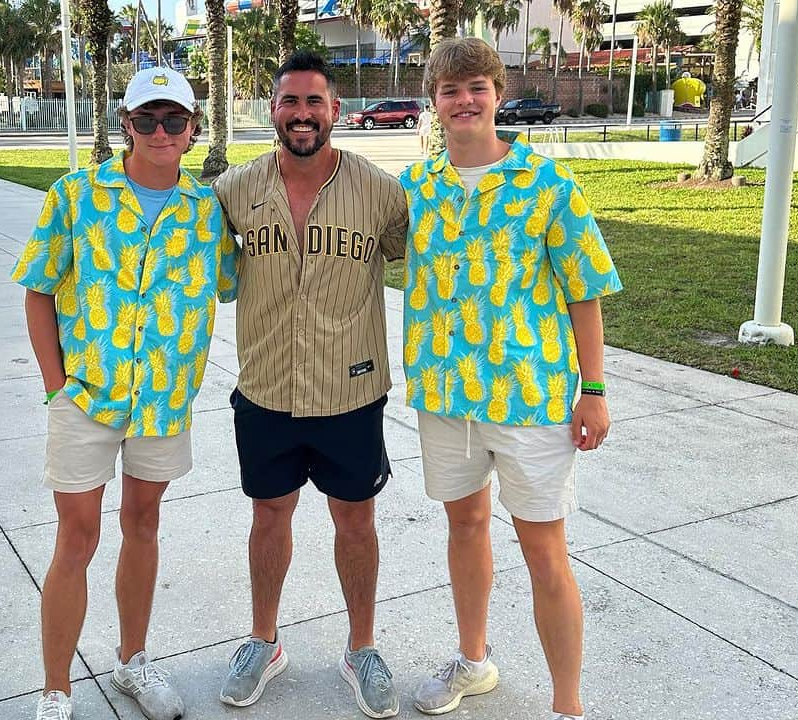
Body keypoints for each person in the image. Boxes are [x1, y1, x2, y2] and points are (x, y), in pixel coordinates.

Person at [399, 38, 622, 718]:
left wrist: (595, 390)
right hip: (445, 395)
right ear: (433, 103)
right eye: (450, 90)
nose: (464, 100)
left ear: (498, 94)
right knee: (464, 525)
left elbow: (585, 289)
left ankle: (567, 704)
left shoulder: (548, 185)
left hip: (528, 396)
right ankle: (473, 661)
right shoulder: (416, 188)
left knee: (544, 549)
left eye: (477, 87)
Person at [11, 67, 238, 720]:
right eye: (147, 120)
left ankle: (133, 662)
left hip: (163, 405)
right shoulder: (76, 196)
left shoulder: (205, 210)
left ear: (193, 130)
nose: (161, 132)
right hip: (87, 398)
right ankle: (56, 689)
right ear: (126, 125)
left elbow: (234, 284)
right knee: (76, 538)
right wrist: (56, 388)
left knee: (143, 524)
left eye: (175, 120)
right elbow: (39, 289)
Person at [212, 51, 409, 719]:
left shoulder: (382, 193)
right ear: (271, 110)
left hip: (349, 390)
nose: (302, 114)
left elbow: (438, 264)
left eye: (314, 103)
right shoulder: (234, 192)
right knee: (270, 516)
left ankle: (361, 649)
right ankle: (263, 642)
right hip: (266, 387)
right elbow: (196, 272)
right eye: (290, 102)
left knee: (356, 520)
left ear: (336, 112)